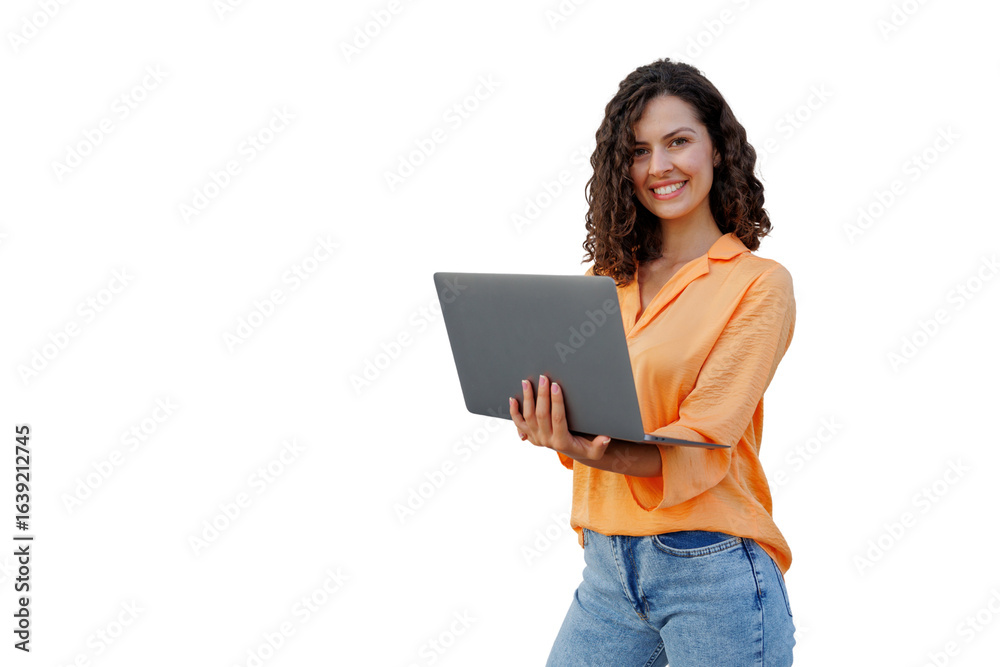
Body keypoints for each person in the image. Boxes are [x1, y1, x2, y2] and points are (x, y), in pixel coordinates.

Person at [508, 58, 797, 666]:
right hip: (607, 568)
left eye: (678, 141)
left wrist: (600, 450)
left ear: (718, 149)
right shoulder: (603, 284)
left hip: (712, 567)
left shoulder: (757, 285)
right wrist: (556, 423)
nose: (658, 166)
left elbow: (704, 438)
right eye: (639, 151)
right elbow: (592, 409)